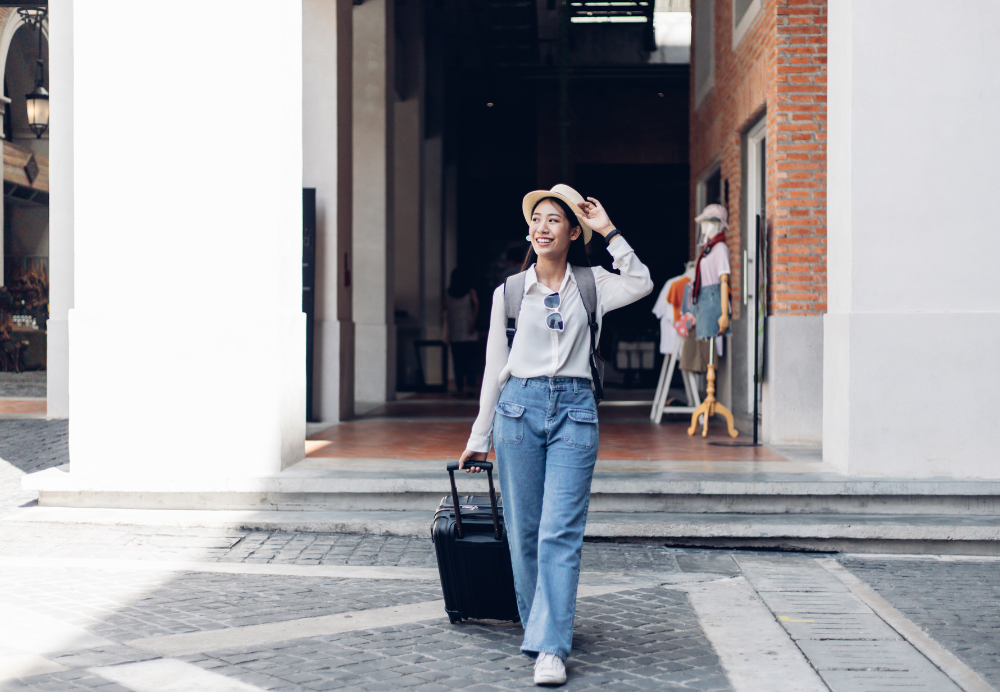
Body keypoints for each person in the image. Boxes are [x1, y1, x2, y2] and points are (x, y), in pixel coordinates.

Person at [457, 184, 653, 685]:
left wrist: (608, 230)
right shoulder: (510, 291)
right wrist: (480, 435)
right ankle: (538, 623)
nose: (542, 227)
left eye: (553, 221)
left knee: (559, 531)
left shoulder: (593, 284)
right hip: (518, 411)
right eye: (537, 219)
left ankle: (550, 647)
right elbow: (493, 368)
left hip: (575, 411)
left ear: (571, 232)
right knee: (524, 533)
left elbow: (642, 280)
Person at [443, 268, 480, 396]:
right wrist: (473, 324)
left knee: (457, 359)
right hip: (468, 329)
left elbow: (443, 309)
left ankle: (459, 384)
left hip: (454, 330)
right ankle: (471, 383)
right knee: (470, 358)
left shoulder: (448, 292)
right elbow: (476, 305)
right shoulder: (470, 291)